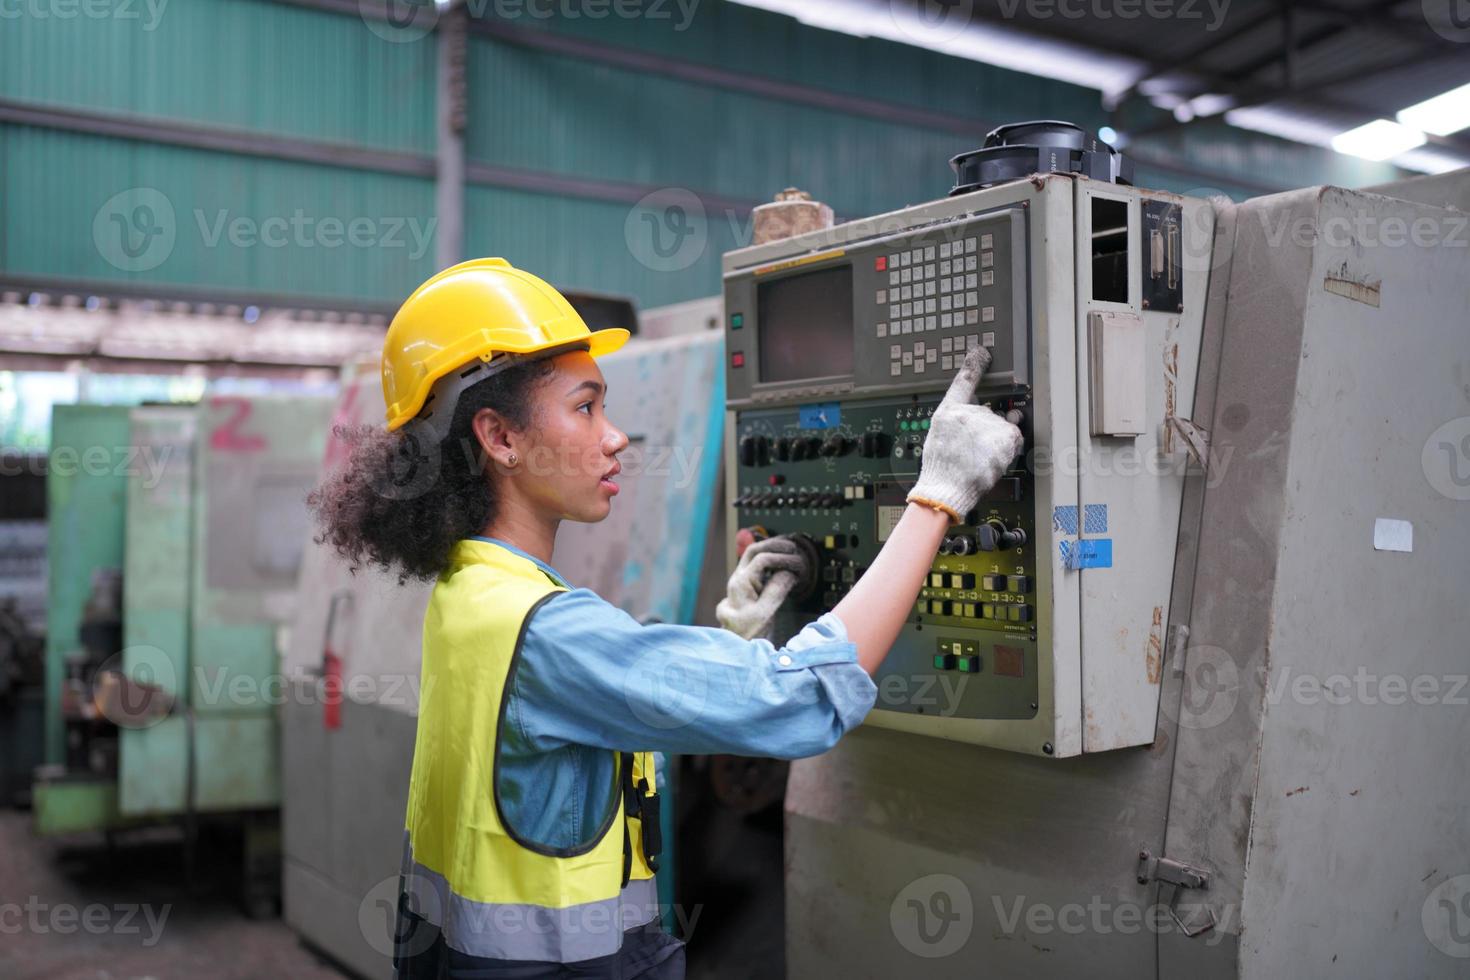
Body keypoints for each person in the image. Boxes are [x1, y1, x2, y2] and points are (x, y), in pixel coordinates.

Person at [309, 258, 1024, 979]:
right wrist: (937, 497)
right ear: (500, 438)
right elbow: (801, 699)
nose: (615, 437)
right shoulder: (545, 627)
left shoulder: (471, 592)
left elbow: (593, 726)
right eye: (586, 407)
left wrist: (726, 642)